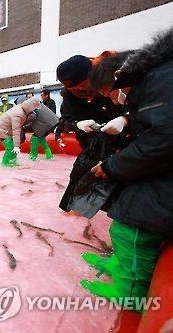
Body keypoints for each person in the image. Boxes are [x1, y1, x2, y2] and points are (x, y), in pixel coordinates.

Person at [80, 27, 173, 311]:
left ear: (118, 78)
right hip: (161, 167)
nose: (110, 101)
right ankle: (121, 263)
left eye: (108, 94)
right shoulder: (155, 78)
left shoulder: (161, 79)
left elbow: (163, 138)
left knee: (129, 224)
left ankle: (129, 290)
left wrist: (111, 166)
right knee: (122, 207)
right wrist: (129, 122)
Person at [56, 53, 124, 149]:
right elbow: (64, 121)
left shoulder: (111, 82)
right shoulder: (69, 95)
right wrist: (77, 125)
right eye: (76, 89)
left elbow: (135, 107)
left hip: (123, 141)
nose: (81, 90)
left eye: (84, 85)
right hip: (91, 146)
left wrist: (125, 119)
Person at [0, 97, 41, 167]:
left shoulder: (22, 110)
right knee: (11, 147)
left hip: (7, 131)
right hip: (2, 131)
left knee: (14, 147)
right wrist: (16, 145)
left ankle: (12, 162)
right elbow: (16, 130)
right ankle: (4, 164)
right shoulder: (18, 114)